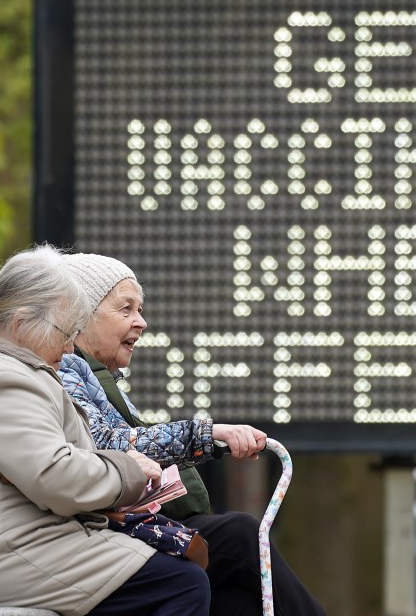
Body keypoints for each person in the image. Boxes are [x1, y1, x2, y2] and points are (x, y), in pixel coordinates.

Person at [0, 244, 210, 616]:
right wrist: (128, 470)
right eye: (67, 332)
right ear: (22, 323)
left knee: (186, 567)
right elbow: (56, 476)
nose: (70, 347)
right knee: (180, 583)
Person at [58, 251, 327, 616]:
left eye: (140, 309)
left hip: (117, 526)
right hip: (101, 533)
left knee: (239, 603)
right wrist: (207, 434)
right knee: (240, 535)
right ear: (80, 313)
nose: (142, 322)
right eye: (126, 309)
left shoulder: (95, 378)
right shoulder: (62, 370)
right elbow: (102, 444)